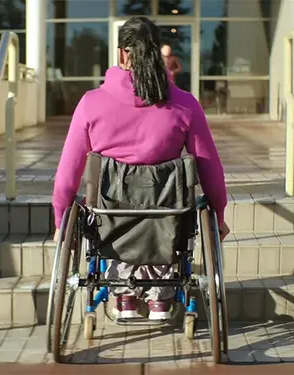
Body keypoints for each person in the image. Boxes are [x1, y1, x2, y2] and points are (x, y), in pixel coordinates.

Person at [52, 16, 229, 321]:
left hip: (110, 220)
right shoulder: (185, 105)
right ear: (158, 53)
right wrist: (220, 214)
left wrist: (59, 219)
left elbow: (68, 172)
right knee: (168, 213)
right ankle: (161, 300)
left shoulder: (91, 103)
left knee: (109, 212)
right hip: (167, 219)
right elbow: (209, 167)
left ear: (122, 54)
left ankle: (124, 298)